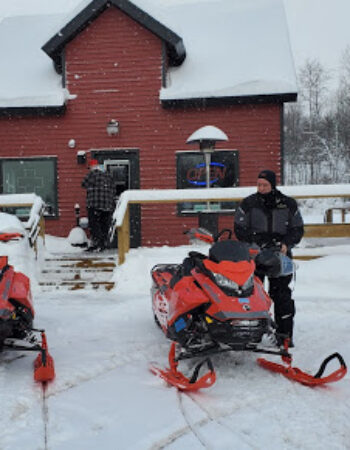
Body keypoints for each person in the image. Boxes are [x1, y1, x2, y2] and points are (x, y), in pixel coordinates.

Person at [234, 169, 304, 346]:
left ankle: (284, 334)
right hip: (254, 256)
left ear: (273, 185)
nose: (261, 188)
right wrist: (255, 241)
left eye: (265, 185)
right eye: (258, 184)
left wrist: (287, 243)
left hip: (280, 256)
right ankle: (251, 333)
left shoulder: (288, 204)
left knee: (282, 296)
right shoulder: (248, 203)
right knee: (252, 295)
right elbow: (239, 228)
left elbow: (297, 229)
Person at [81, 159, 117, 251]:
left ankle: (98, 243)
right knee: (104, 224)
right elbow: (114, 189)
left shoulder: (92, 174)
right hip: (107, 205)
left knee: (94, 224)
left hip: (94, 204)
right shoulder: (109, 175)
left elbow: (84, 184)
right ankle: (103, 243)